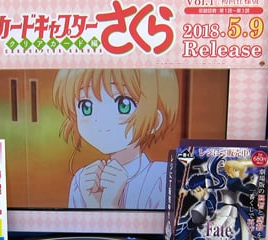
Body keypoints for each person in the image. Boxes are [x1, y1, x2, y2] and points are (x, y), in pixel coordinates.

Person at [52, 69, 179, 209]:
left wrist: (110, 205)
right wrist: (93, 204)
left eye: (123, 105)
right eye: (86, 106)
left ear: (154, 121)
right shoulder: (82, 181)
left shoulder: (163, 177)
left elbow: (170, 223)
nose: (100, 121)